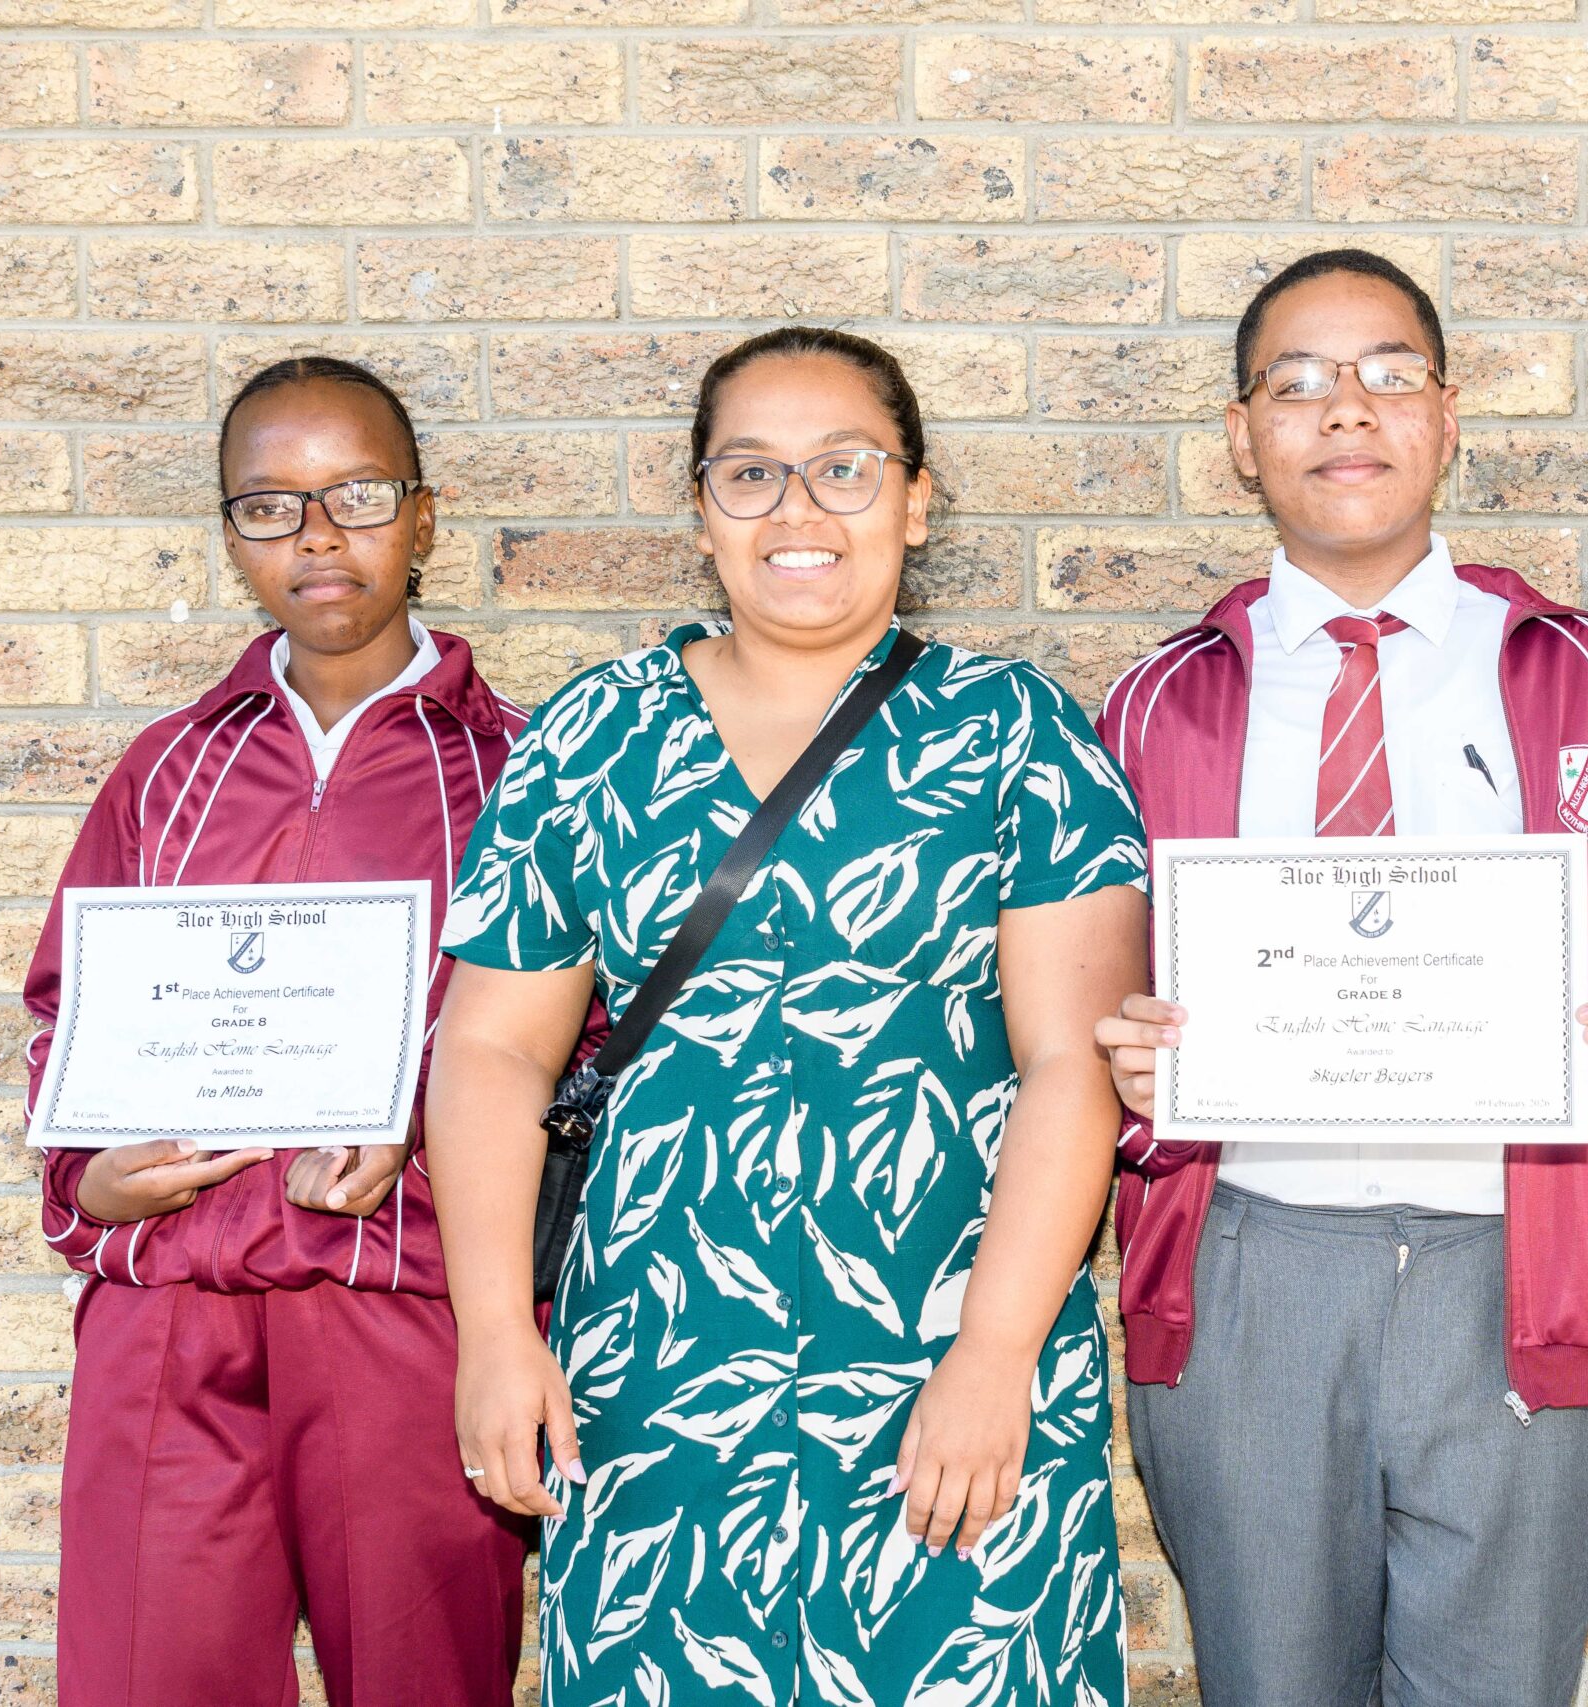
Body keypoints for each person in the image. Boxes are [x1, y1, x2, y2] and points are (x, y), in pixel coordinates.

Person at [427, 327, 1147, 1706]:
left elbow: (1072, 1063)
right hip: (659, 1375)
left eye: (845, 469)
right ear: (702, 511)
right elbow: (493, 1047)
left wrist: (997, 1353)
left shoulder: (1018, 735)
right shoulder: (594, 737)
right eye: (750, 473)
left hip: (948, 1366)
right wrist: (497, 1332)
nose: (797, 509)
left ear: (916, 501)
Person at [1091, 249, 1588, 1707]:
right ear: (1240, 437)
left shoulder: (1581, 673)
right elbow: (1085, 1008)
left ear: (1446, 418)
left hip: (1515, 1253)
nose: (1345, 411)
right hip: (1249, 1258)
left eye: (1389, 375)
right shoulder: (1161, 703)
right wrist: (1126, 1067)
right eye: (1297, 384)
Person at [22, 357, 535, 1707]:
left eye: (358, 496)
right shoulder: (166, 770)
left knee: (424, 1681)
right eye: (270, 506)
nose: (317, 537)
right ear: (230, 534)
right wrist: (88, 1181)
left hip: (404, 1304)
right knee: (144, 1680)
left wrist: (422, 1126)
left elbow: (578, 1043)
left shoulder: (524, 768)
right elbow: (68, 1010)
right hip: (170, 1309)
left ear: (423, 517)